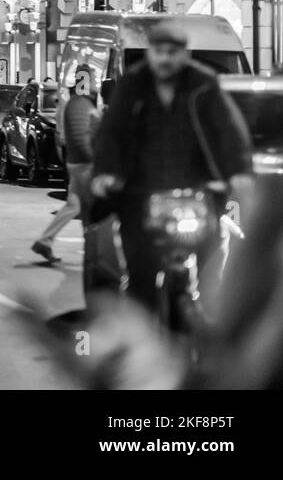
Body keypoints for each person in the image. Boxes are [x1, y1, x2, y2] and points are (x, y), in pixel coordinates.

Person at [91, 21, 254, 313]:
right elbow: (111, 131)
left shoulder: (204, 83)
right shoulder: (132, 84)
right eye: (159, 51)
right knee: (140, 275)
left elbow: (228, 128)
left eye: (173, 52)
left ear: (185, 54)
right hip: (141, 190)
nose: (165, 58)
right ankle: (142, 342)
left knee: (211, 265)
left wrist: (237, 171)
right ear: (150, 53)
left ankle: (211, 326)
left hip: (198, 187)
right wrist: (107, 172)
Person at [32, 70, 99, 264]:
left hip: (74, 161)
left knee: (75, 205)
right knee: (97, 208)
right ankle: (97, 252)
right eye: (93, 79)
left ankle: (45, 241)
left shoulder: (70, 103)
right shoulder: (84, 104)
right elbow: (82, 135)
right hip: (85, 164)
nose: (95, 82)